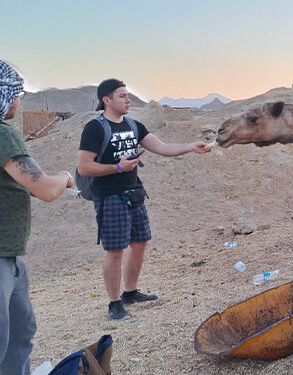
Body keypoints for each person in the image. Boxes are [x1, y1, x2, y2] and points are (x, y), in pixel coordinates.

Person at [77, 79, 211, 321]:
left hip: (134, 193)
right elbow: (84, 167)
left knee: (140, 243)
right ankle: (114, 303)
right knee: (115, 251)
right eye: (122, 96)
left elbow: (162, 147)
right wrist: (118, 167)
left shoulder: (134, 125)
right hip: (110, 197)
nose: (128, 100)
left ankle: (130, 292)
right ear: (106, 100)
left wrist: (191, 146)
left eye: (128, 96)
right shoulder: (95, 128)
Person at [0, 60, 75, 375]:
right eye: (16, 92)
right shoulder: (3, 135)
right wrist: (64, 177)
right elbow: (43, 189)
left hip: (11, 257)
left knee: (19, 332)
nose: (20, 99)